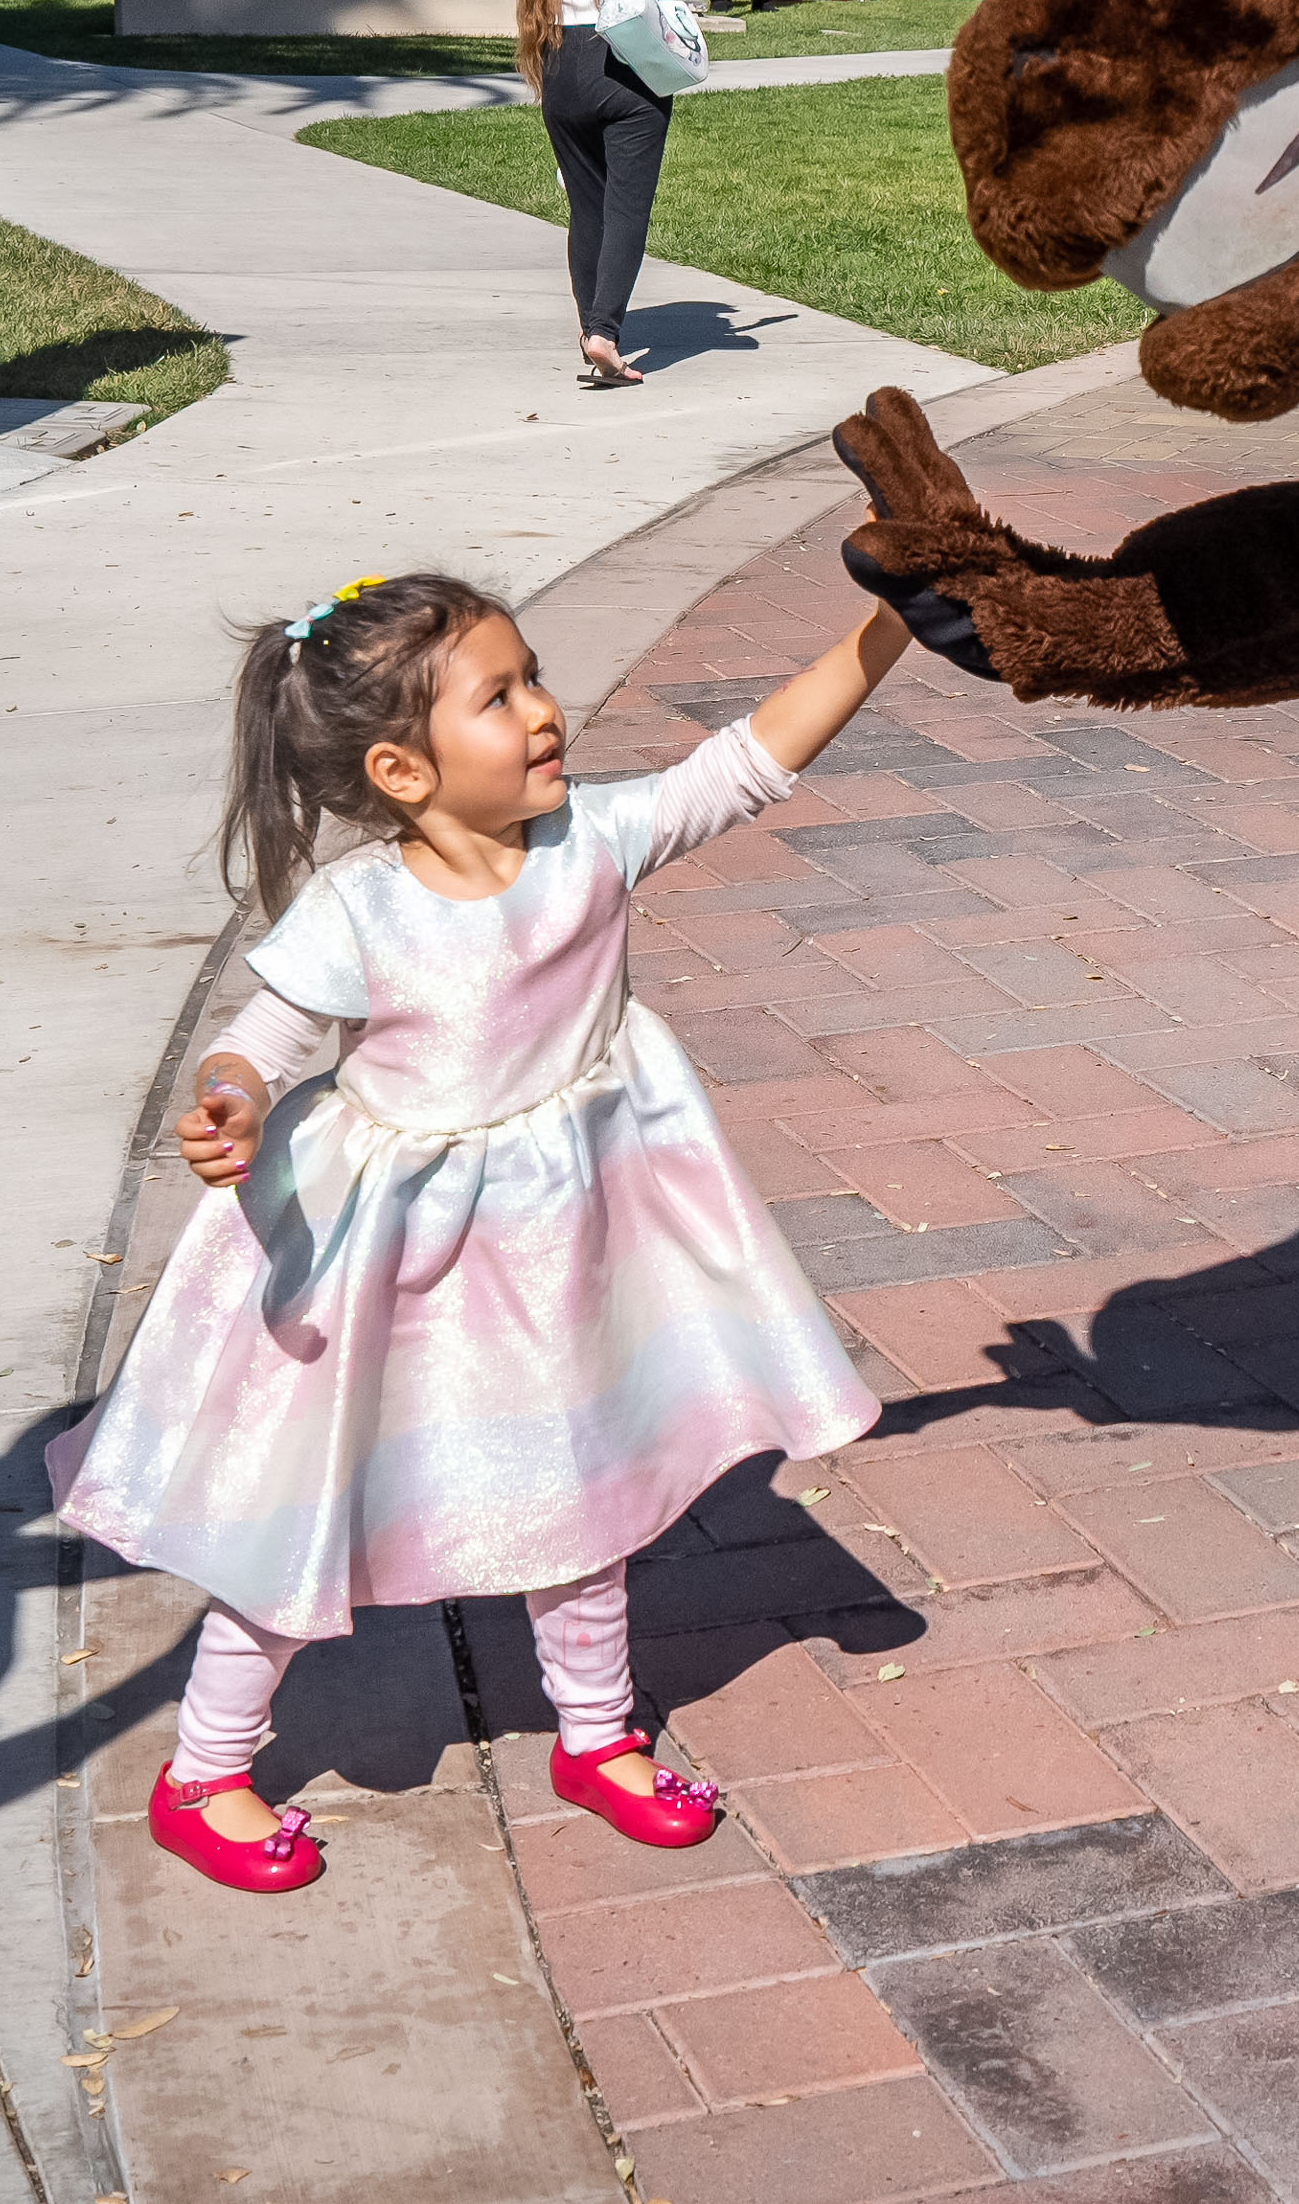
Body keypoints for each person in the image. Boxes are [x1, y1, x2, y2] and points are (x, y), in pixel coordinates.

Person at [50, 574, 898, 1884]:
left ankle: (596, 1733)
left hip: (560, 1242)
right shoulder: (359, 909)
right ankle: (205, 1766)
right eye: (497, 695)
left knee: (585, 1475)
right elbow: (261, 1036)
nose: (544, 709)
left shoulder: (596, 839)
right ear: (398, 766)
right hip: (386, 1262)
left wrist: (889, 618)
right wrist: (225, 1092)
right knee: (300, 1508)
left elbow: (747, 759)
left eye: (533, 674)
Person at [514, 0, 716, 390]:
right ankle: (605, 331)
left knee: (587, 206)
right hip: (618, 56)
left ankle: (588, 330)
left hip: (557, 57)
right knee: (628, 208)